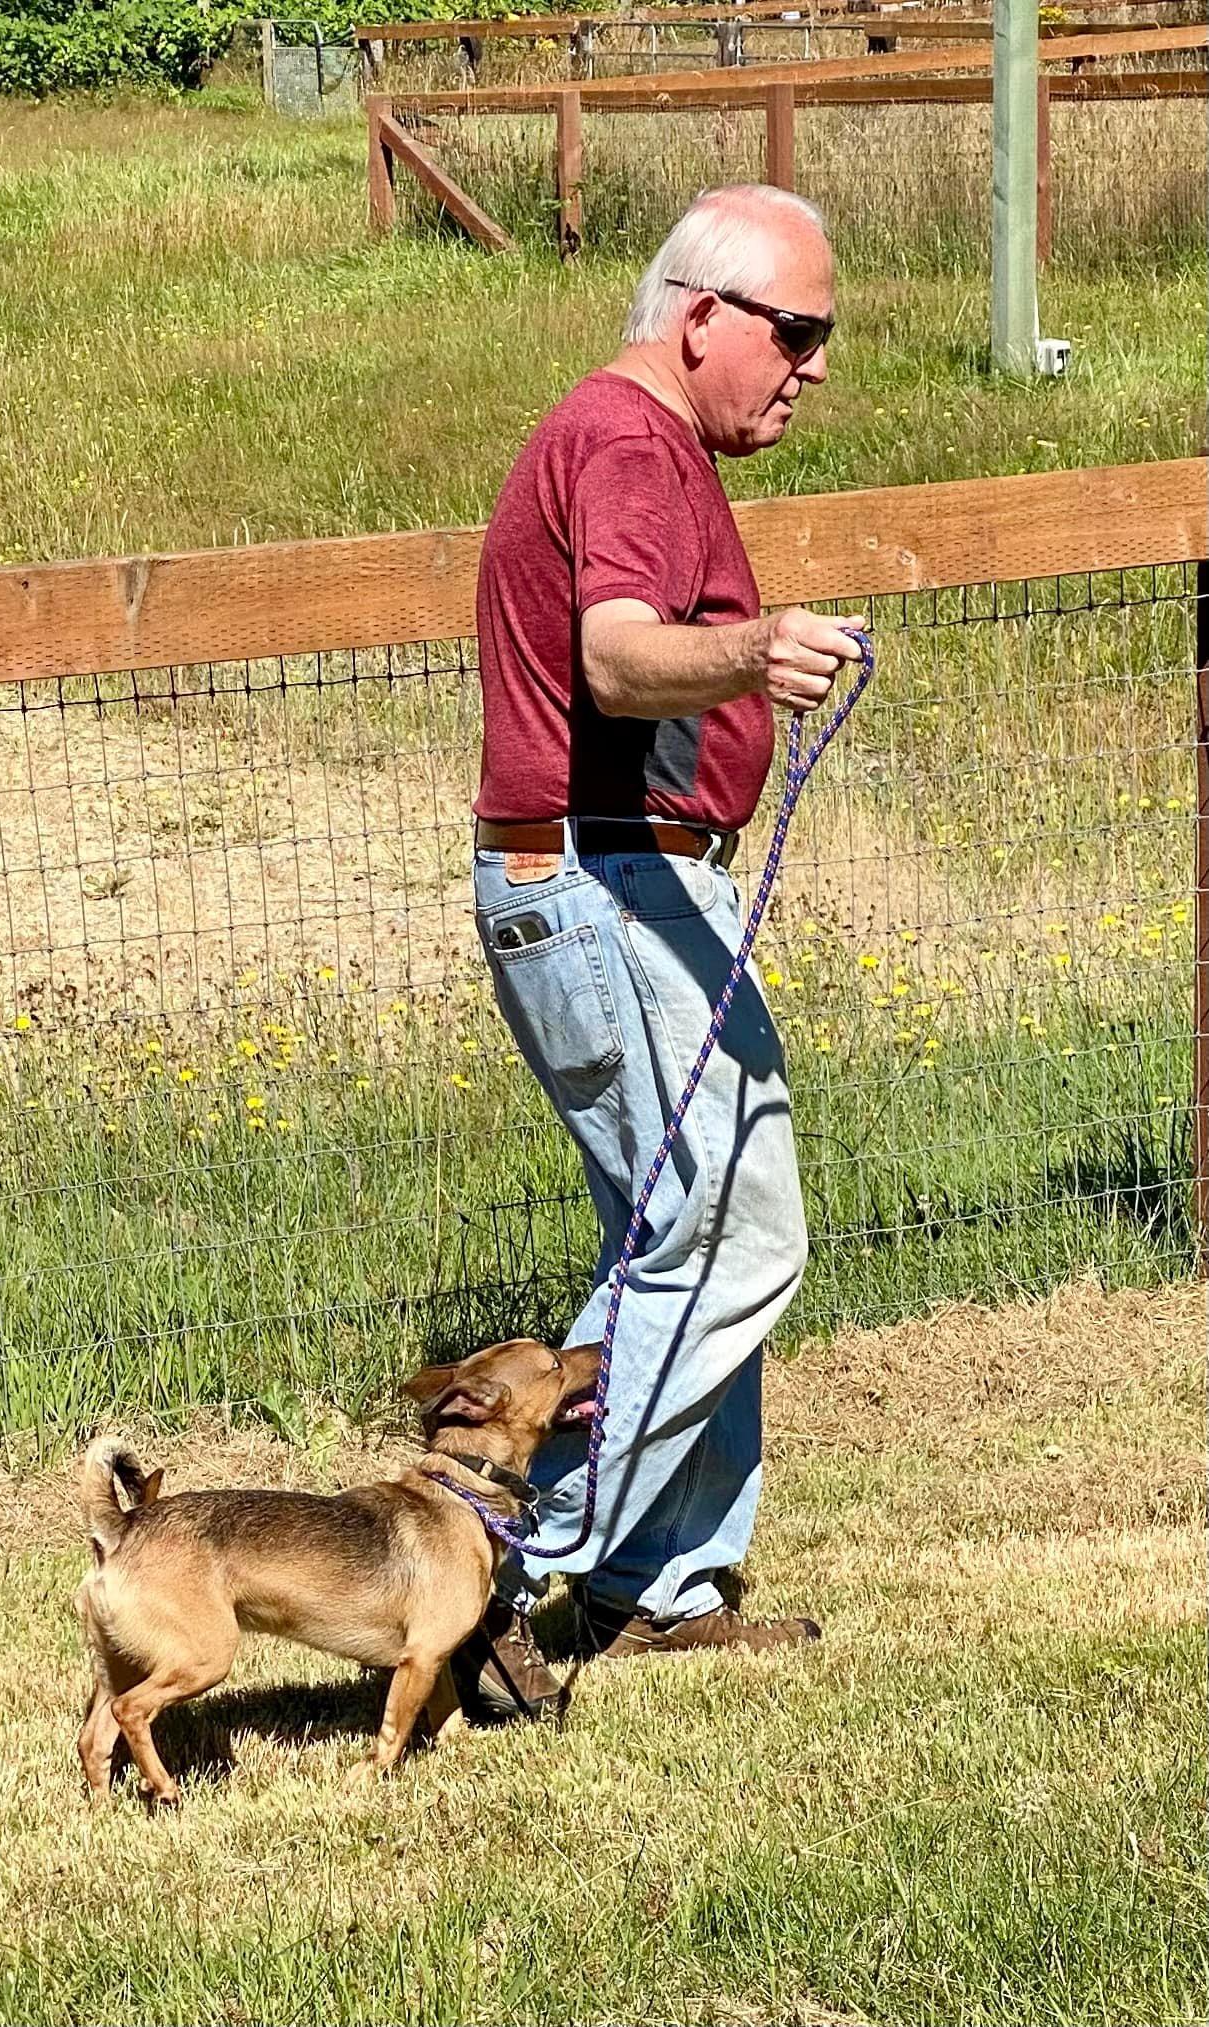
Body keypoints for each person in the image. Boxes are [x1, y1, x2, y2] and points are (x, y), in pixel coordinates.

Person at [453, 185, 864, 1721]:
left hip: (617, 885)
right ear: (705, 318)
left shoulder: (635, 438)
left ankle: (663, 1587)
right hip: (609, 884)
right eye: (798, 333)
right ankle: (500, 1554)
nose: (813, 367)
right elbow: (619, 657)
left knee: (686, 1239)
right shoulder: (629, 441)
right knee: (726, 1241)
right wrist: (759, 651)